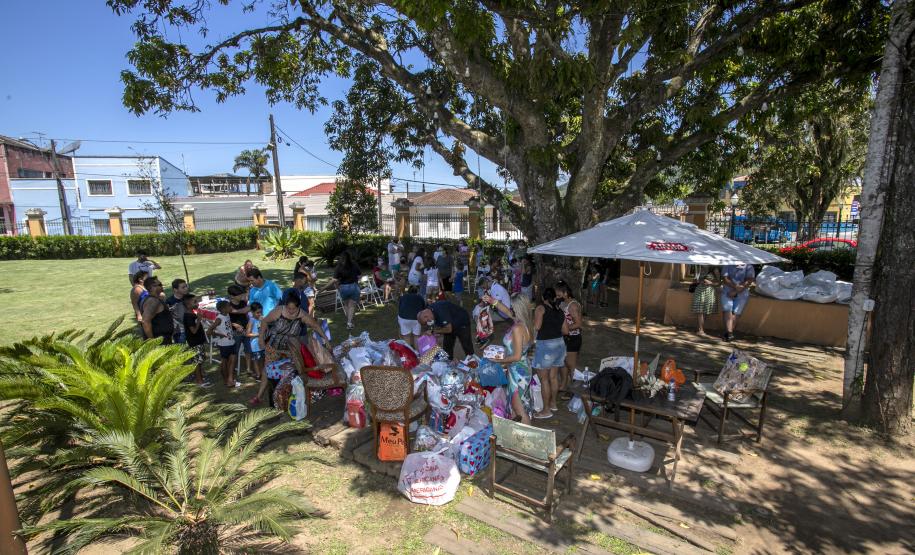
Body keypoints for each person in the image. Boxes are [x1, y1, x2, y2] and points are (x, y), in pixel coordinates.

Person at [483, 293, 534, 425]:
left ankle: (528, 441)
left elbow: (516, 356)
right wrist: (492, 301)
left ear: (518, 308)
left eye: (512, 306)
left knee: (519, 409)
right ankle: (516, 437)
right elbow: (505, 310)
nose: (510, 308)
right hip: (520, 368)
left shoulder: (518, 328)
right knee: (515, 406)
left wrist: (497, 360)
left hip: (518, 372)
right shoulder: (524, 322)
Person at [531, 288, 569, 418]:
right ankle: (553, 403)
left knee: (544, 379)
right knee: (553, 377)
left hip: (546, 346)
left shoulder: (540, 309)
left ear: (543, 297)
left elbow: (537, 326)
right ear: (553, 297)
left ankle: (546, 410)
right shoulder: (559, 311)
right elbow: (566, 331)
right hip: (560, 345)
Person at [208, 300, 243, 388]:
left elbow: (227, 323)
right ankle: (227, 380)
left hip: (231, 341)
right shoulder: (219, 318)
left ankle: (230, 380)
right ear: (223, 309)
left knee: (232, 360)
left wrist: (235, 325)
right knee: (225, 361)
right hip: (224, 344)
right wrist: (219, 334)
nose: (231, 308)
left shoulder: (226, 315)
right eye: (229, 306)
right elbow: (209, 331)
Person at [556, 281, 582, 395]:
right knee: (563, 362)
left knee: (571, 364)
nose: (556, 296)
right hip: (564, 337)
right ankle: (563, 385)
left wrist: (564, 329)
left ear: (565, 293)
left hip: (573, 338)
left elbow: (578, 324)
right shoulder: (563, 303)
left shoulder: (573, 305)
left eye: (558, 294)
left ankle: (575, 389)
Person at [327, 250, 361, 329]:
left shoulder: (339, 266)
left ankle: (350, 321)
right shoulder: (354, 264)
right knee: (352, 305)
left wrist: (338, 287)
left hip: (343, 287)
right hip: (353, 286)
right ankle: (349, 322)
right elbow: (359, 275)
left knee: (346, 305)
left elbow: (334, 279)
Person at [721, 263, 755, 341]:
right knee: (727, 310)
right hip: (727, 291)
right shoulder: (728, 264)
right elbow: (725, 278)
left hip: (742, 293)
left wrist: (736, 291)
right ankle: (729, 333)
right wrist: (736, 287)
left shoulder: (749, 266)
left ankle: (729, 333)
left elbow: (749, 280)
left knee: (736, 313)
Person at [182, 294, 210, 387]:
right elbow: (193, 331)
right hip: (194, 343)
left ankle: (200, 377)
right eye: (195, 302)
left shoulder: (192, 314)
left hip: (198, 341)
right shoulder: (188, 317)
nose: (197, 303)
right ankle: (199, 381)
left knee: (200, 360)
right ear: (188, 305)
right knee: (197, 362)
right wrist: (198, 319)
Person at [141, 277, 174, 344]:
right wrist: (152, 342)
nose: (162, 286)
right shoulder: (152, 301)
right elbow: (145, 321)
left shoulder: (156, 299)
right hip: (160, 341)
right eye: (160, 284)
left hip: (164, 339)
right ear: (152, 287)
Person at [246, 302, 267, 405]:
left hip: (262, 344)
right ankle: (259, 374)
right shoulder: (252, 320)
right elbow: (247, 333)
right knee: (257, 360)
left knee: (263, 360)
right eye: (257, 312)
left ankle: (262, 374)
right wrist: (258, 334)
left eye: (260, 312)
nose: (259, 314)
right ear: (252, 312)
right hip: (255, 345)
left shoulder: (262, 319)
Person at [227, 284, 250, 376]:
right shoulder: (228, 306)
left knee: (248, 350)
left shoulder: (243, 302)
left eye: (242, 294)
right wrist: (235, 325)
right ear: (232, 296)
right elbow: (226, 320)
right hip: (235, 332)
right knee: (235, 351)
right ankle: (232, 369)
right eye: (239, 295)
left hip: (246, 330)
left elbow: (247, 312)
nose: (241, 296)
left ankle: (248, 369)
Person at [691, 266, 720, 336]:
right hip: (699, 290)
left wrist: (710, 283)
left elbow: (719, 283)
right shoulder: (699, 268)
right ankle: (701, 329)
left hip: (709, 292)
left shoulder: (714, 269)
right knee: (700, 310)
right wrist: (696, 281)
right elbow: (695, 279)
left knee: (705, 310)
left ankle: (701, 328)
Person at [166, 278, 189, 344]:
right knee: (181, 348)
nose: (186, 288)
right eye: (183, 287)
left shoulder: (188, 297)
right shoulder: (169, 301)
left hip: (190, 327)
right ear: (175, 290)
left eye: (186, 286)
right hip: (179, 330)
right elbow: (168, 316)